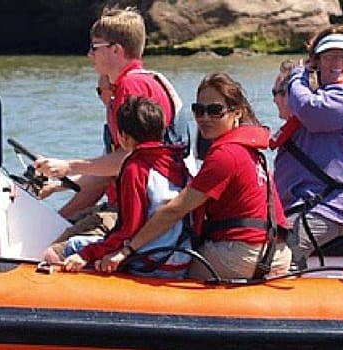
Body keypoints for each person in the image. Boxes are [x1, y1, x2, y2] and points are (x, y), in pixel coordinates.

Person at [94, 73, 291, 280]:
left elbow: (175, 210)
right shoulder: (251, 150)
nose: (205, 118)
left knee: (167, 268)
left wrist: (127, 250)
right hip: (277, 253)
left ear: (237, 112)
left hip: (241, 255)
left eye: (215, 111)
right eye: (199, 110)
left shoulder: (225, 155)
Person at [36, 6, 185, 262]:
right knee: (51, 231)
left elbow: (129, 158)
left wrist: (68, 166)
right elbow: (121, 163)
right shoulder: (146, 81)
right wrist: (60, 181)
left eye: (95, 47)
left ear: (116, 50)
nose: (89, 54)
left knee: (51, 255)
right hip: (136, 206)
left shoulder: (130, 86)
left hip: (134, 211)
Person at [270, 25, 343, 270]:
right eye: (329, 56)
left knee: (275, 258)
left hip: (330, 209)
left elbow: (309, 109)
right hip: (308, 203)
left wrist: (297, 77)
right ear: (318, 62)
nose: (337, 63)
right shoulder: (324, 92)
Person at [60, 96, 191, 278]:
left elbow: (129, 228)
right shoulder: (176, 161)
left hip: (152, 261)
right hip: (181, 256)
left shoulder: (135, 168)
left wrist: (87, 254)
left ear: (124, 137)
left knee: (71, 246)